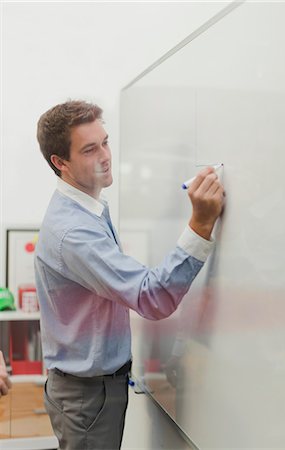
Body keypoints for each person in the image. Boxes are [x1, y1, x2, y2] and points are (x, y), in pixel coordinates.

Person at [34, 100, 225, 450]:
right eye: (90, 149)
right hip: (88, 397)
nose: (105, 155)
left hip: (90, 390)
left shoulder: (87, 208)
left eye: (105, 141)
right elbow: (152, 297)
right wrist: (200, 224)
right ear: (60, 163)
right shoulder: (74, 232)